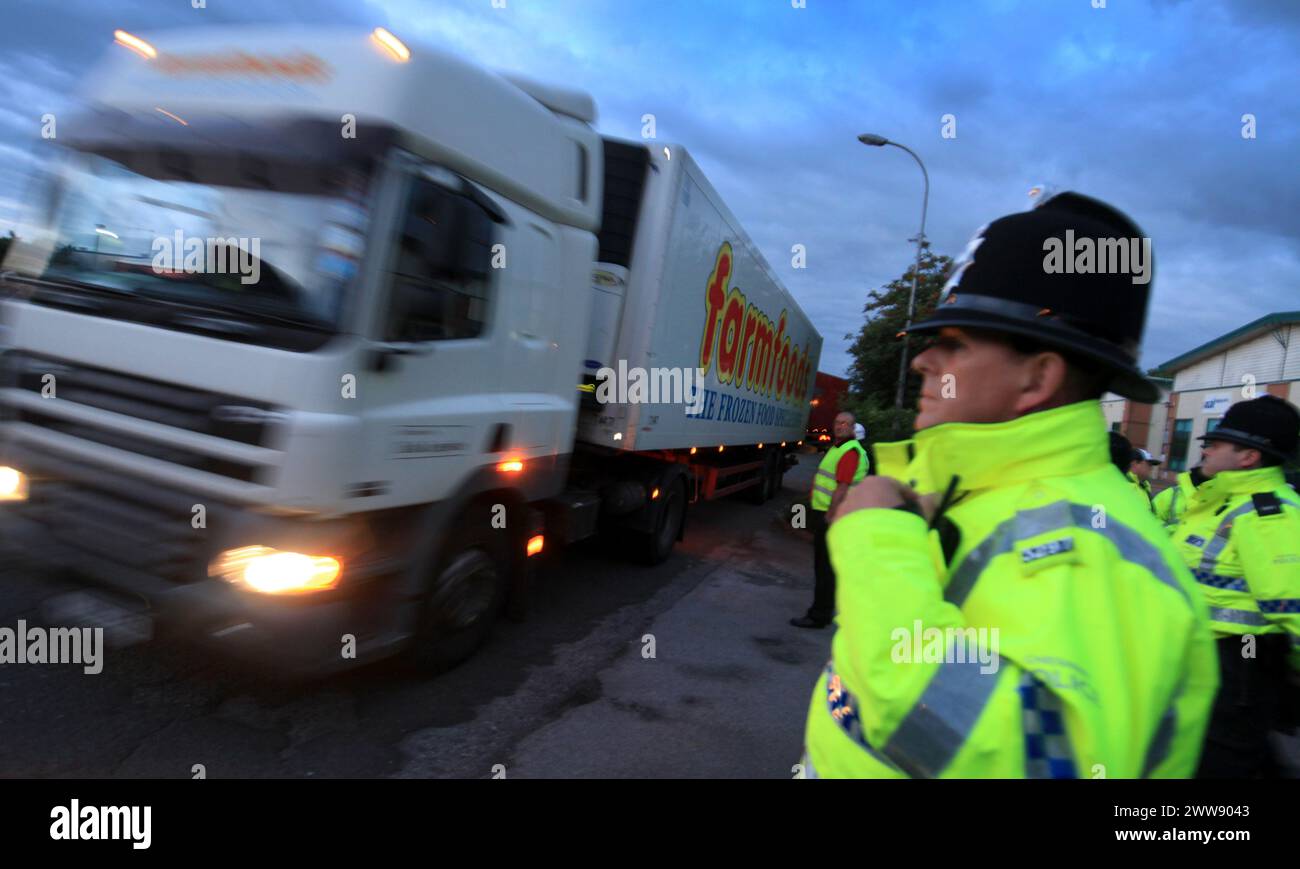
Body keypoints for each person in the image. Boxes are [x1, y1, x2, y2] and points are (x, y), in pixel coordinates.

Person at [799, 191, 1217, 778]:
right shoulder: (979, 497)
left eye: (955, 344)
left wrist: (876, 541)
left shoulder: (1094, 552)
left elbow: (1028, 761)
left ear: (1038, 376)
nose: (922, 362)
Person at [1166, 395, 1300, 777]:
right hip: (1208, 659)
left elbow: (1294, 607)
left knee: (1225, 762)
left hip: (1241, 661)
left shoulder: (1266, 515)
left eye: (1217, 443)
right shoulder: (1217, 505)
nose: (1206, 449)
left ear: (1248, 457)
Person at [791, 411, 867, 629]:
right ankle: (821, 612)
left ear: (853, 429)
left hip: (834, 517)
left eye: (846, 424)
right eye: (837, 422)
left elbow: (842, 487)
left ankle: (818, 615)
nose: (840, 426)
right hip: (828, 513)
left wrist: (830, 517)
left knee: (825, 568)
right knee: (825, 567)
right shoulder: (838, 448)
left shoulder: (849, 452)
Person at [1152, 465, 1206, 532]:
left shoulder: (1214, 497)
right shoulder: (1170, 494)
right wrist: (1173, 532)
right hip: (1165, 540)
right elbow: (1150, 519)